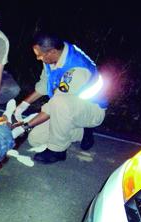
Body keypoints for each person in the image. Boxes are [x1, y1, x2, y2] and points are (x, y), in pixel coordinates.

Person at [13, 32, 108, 164]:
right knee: (35, 138)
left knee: (59, 103)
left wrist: (25, 126)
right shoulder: (53, 57)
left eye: (39, 55)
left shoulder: (76, 69)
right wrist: (23, 104)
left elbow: (53, 106)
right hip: (70, 107)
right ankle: (82, 132)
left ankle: (57, 151)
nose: (38, 58)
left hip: (91, 110)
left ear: (51, 52)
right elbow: (44, 85)